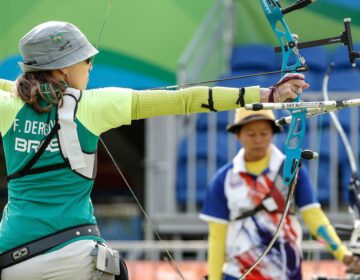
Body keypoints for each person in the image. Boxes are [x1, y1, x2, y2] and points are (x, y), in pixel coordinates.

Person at [0, 21, 308, 280]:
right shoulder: (94, 106)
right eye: (85, 59)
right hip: (75, 257)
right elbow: (183, 99)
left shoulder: (9, 106)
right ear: (64, 68)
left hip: (12, 259)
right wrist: (267, 94)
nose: (90, 66)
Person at [200, 108, 360, 280]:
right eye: (251, 134)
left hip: (286, 273)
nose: (258, 140)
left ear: (273, 133)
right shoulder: (224, 179)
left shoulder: (291, 170)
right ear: (238, 135)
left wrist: (343, 254)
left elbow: (314, 217)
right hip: (238, 273)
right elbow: (217, 237)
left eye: (264, 133)